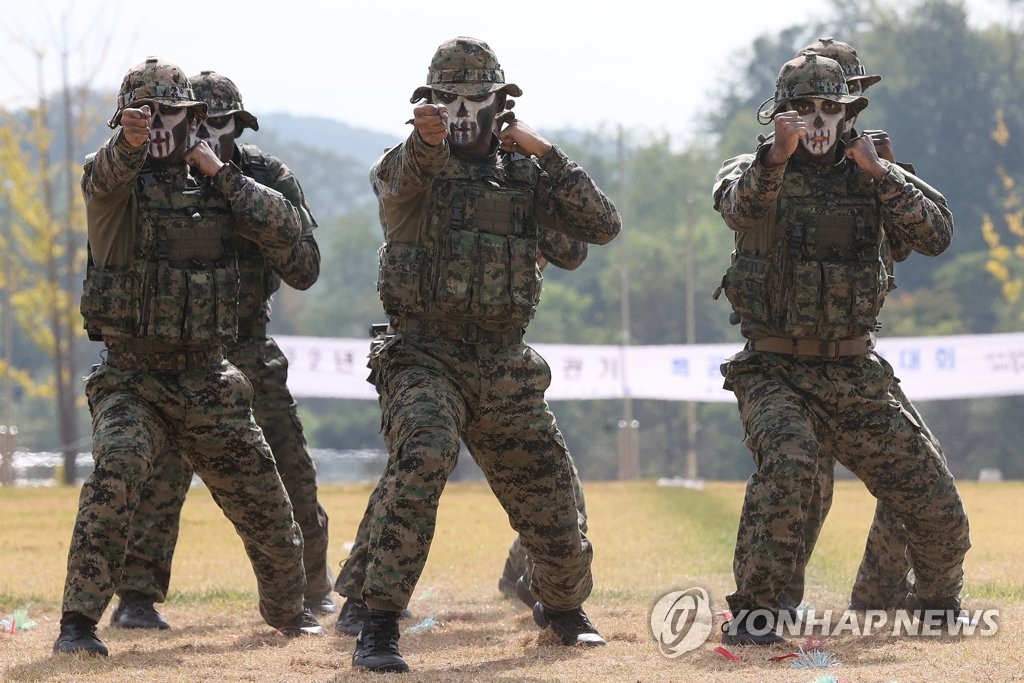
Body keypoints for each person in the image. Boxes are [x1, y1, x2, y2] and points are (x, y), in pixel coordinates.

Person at [350, 36, 620, 673]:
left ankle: (562, 609)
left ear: (502, 104)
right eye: (449, 100)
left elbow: (600, 227)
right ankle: (379, 623)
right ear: (430, 104)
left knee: (552, 498)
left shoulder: (524, 174)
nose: (463, 111)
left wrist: (546, 152)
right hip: (423, 355)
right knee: (425, 449)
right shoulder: (412, 167)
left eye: (478, 99)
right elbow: (395, 178)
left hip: (504, 363)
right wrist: (426, 138)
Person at [54, 57, 323, 657]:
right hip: (132, 377)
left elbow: (293, 239)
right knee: (117, 470)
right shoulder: (112, 187)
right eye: (144, 117)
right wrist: (130, 139)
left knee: (269, 508)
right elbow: (104, 174)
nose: (158, 129)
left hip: (210, 377)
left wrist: (222, 174)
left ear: (194, 119)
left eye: (170, 116)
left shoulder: (219, 182)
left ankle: (290, 608)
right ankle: (78, 624)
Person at [711, 53, 971, 645]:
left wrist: (881, 174)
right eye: (804, 110)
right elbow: (738, 208)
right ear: (781, 116)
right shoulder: (750, 169)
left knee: (931, 497)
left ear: (849, 112)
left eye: (831, 109)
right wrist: (774, 157)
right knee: (791, 461)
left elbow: (935, 235)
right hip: (775, 368)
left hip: (855, 371)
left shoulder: (875, 174)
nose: (818, 122)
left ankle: (933, 600)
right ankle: (757, 613)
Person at [332, 243, 590, 638]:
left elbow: (574, 243)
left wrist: (532, 252)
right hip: (429, 356)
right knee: (416, 469)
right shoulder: (429, 188)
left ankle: (527, 579)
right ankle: (363, 600)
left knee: (554, 485)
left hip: (499, 361)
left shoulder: (520, 183)